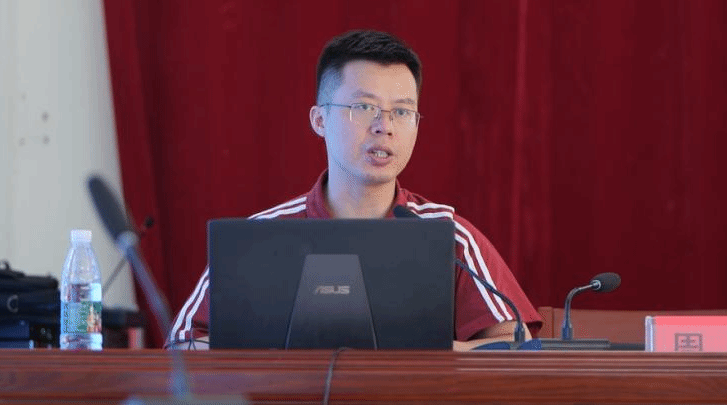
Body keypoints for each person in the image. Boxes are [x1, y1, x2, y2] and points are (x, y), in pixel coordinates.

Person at [168, 29, 542, 350]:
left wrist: (435, 355)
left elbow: (517, 348)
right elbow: (183, 346)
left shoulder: (449, 236)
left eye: (402, 111)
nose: (385, 126)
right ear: (319, 119)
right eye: (364, 107)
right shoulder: (260, 236)